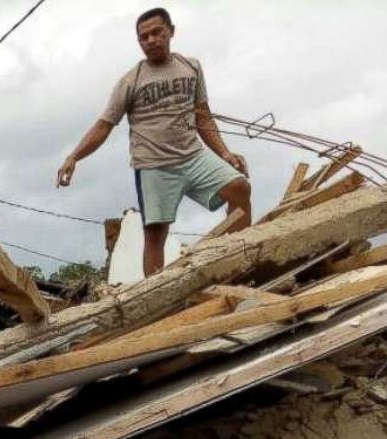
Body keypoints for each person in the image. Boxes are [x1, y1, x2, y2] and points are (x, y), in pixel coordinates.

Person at [57, 7, 251, 276]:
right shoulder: (131, 81)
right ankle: (157, 296)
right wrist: (74, 157)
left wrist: (225, 154)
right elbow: (104, 125)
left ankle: (236, 264)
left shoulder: (190, 67)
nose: (150, 40)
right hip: (154, 166)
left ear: (171, 31)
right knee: (156, 234)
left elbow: (203, 118)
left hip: (193, 157)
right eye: (143, 37)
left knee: (239, 187)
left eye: (156, 33)